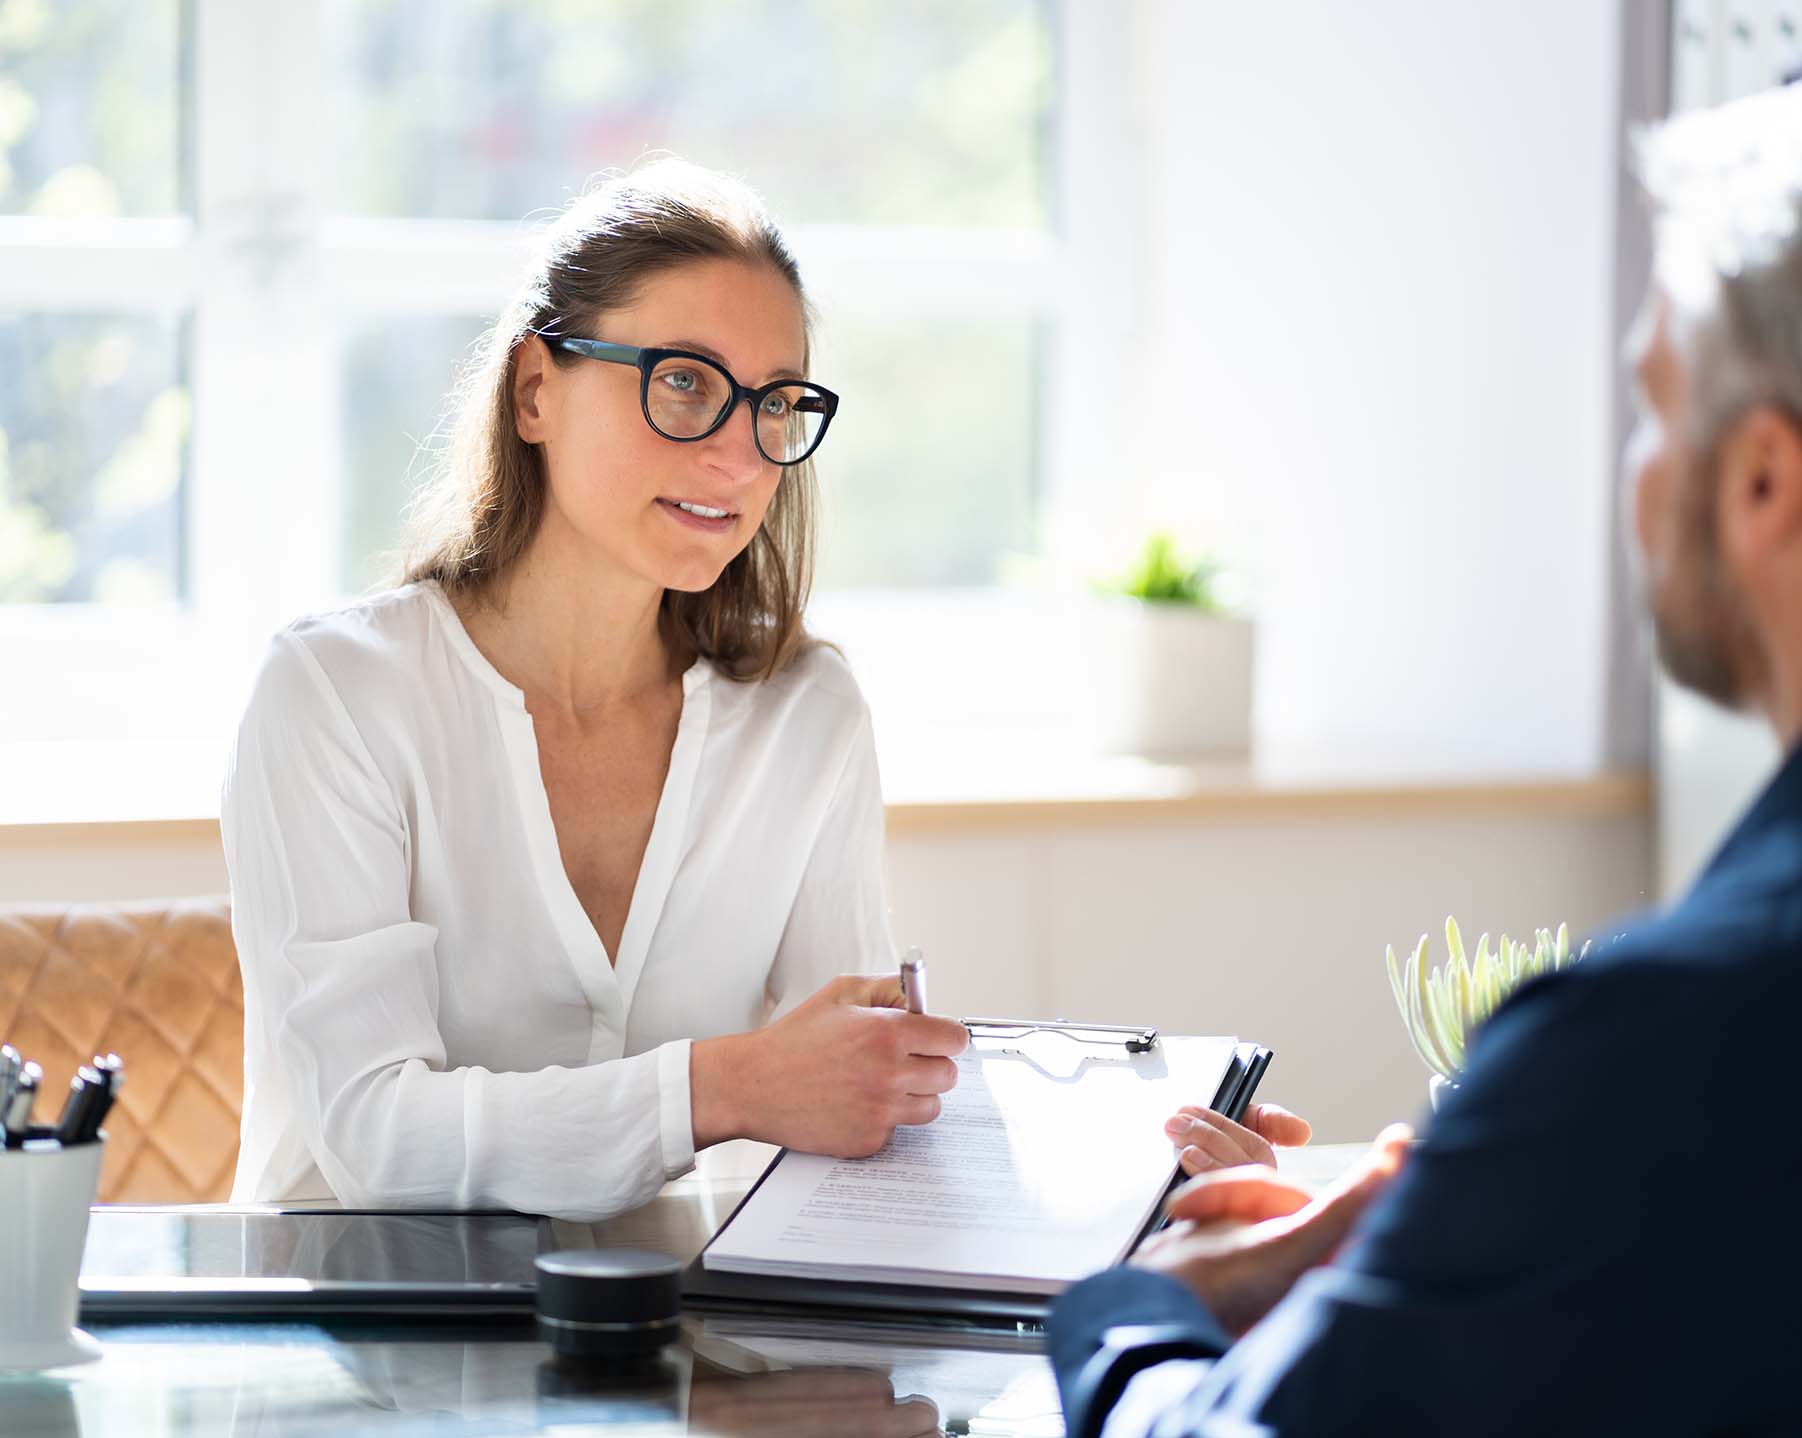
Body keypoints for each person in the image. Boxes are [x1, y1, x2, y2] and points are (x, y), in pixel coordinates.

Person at [1048, 70, 1802, 1438]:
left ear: (1763, 479)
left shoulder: (1668, 1046)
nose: (1633, 473)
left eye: (1652, 407)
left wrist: (1136, 1306)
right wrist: (1461, 1247)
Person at [220, 159, 1276, 1223]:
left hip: (673, 1351)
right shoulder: (335, 694)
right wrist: (727, 1088)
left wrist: (1142, 1174)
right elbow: (370, 1138)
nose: (739, 452)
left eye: (775, 403)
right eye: (683, 380)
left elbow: (858, 1099)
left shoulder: (807, 713)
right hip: (344, 1338)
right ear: (536, 388)